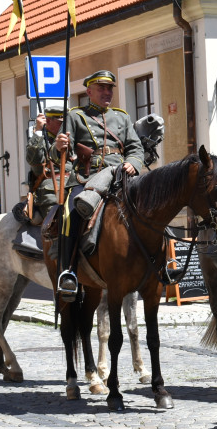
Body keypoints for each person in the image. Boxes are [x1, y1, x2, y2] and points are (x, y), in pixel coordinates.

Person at [53, 70, 144, 300]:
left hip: (121, 177)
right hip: (87, 178)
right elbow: (62, 155)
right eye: (102, 88)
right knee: (69, 214)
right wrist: (60, 147)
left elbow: (136, 147)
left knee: (151, 205)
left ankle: (160, 264)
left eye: (110, 88)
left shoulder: (122, 117)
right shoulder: (75, 116)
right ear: (89, 91)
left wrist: (133, 162)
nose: (107, 92)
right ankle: (68, 272)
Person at [22, 100, 70, 226]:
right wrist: (38, 130)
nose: (65, 126)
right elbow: (33, 160)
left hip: (74, 183)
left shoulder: (70, 137)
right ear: (48, 122)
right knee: (57, 224)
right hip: (51, 190)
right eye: (61, 123)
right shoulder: (41, 140)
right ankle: (55, 245)